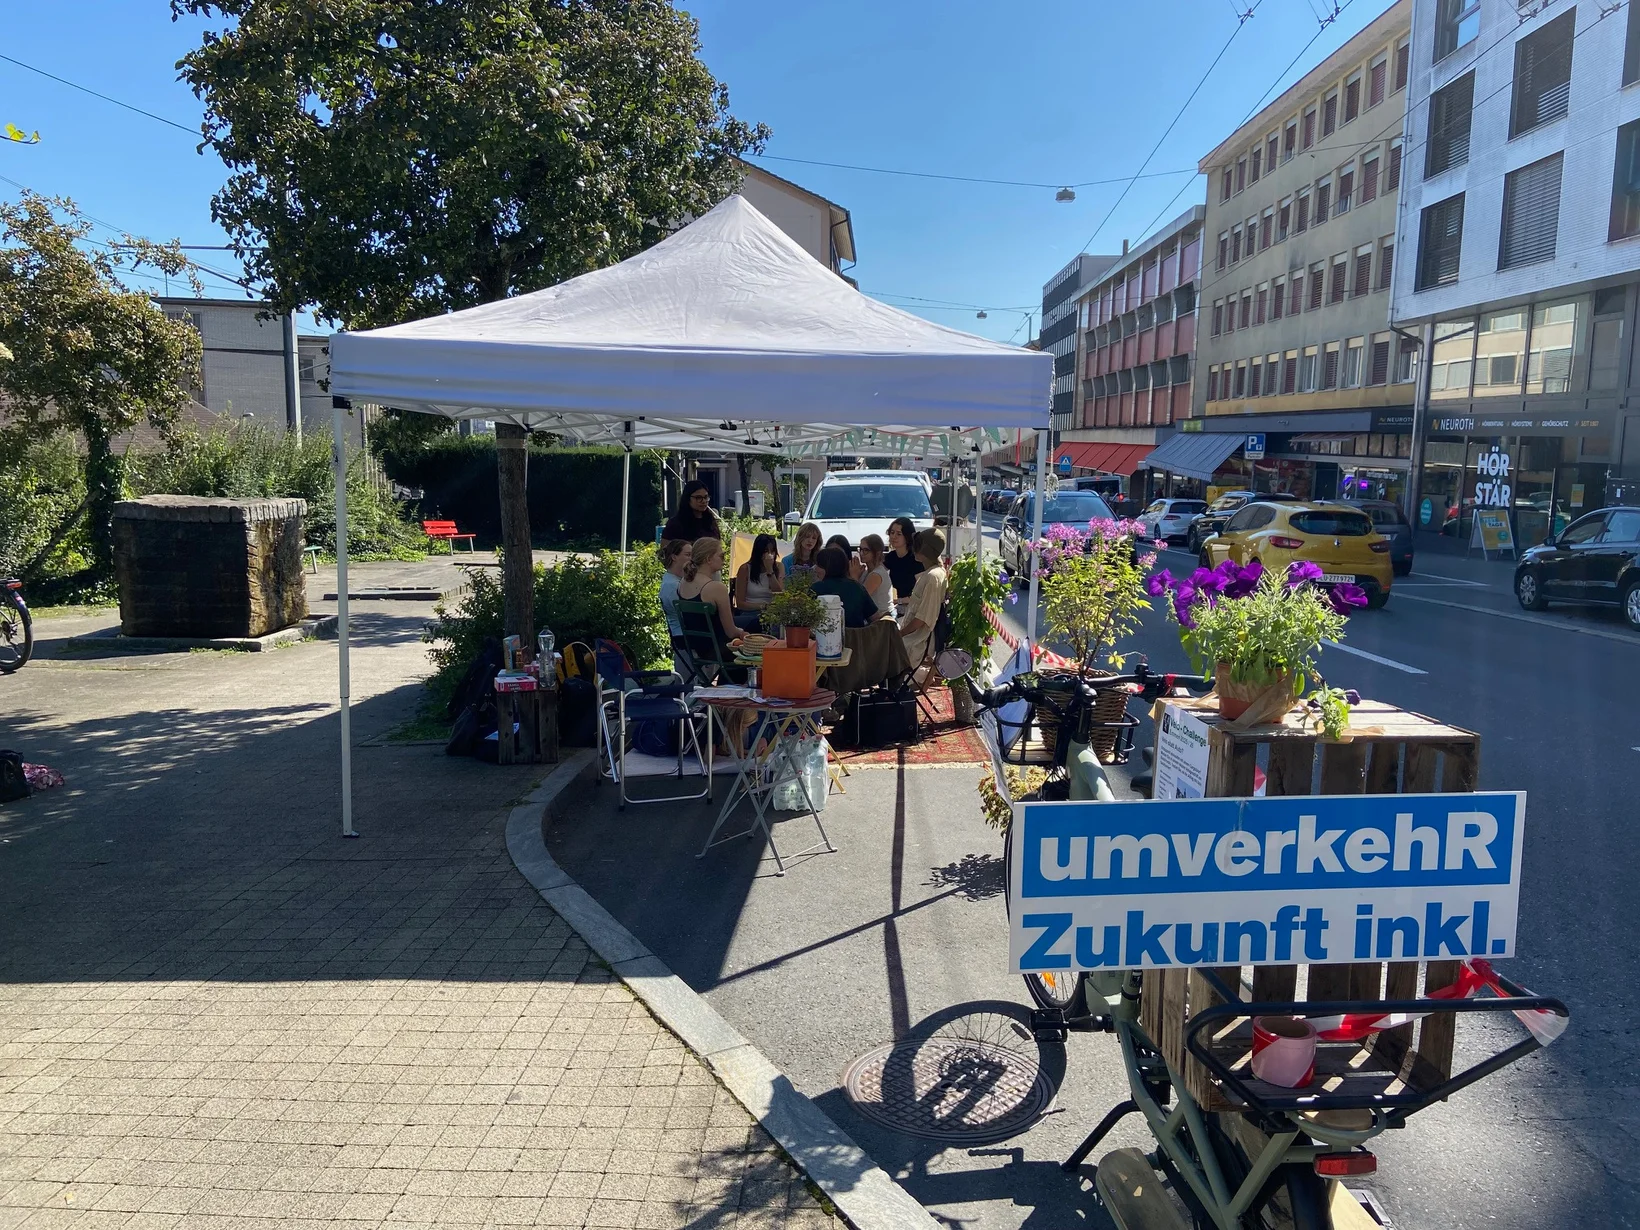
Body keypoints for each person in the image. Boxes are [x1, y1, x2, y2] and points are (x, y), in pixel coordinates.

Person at [676, 538, 741, 648]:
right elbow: (731, 632)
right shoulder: (716, 588)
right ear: (709, 559)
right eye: (721, 556)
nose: (724, 560)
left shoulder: (683, 582)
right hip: (719, 650)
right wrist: (744, 633)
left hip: (698, 649)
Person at [898, 528, 948, 669]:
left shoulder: (932, 577)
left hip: (916, 641)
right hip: (912, 635)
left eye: (917, 544)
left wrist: (900, 634)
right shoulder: (933, 573)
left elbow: (922, 619)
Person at [810, 547, 878, 629]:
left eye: (818, 565)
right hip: (856, 639)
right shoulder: (857, 587)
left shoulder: (816, 589)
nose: (815, 569)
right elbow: (875, 618)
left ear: (827, 567)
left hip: (824, 639)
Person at [732, 533, 784, 632]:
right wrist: (763, 606)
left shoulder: (779, 567)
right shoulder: (745, 569)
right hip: (750, 612)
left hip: (773, 614)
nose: (770, 555)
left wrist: (770, 571)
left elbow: (779, 595)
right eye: (765, 551)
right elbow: (740, 603)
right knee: (759, 623)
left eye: (772, 551)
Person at [662, 480, 721, 545]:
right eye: (698, 497)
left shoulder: (710, 521)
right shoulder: (675, 524)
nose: (703, 501)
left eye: (706, 497)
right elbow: (665, 550)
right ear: (687, 498)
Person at [884, 516, 924, 601]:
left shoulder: (916, 559)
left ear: (907, 536)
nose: (894, 536)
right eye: (892, 532)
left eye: (899, 534)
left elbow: (921, 593)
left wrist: (899, 601)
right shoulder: (890, 558)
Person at [857, 534, 894, 617]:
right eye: (860, 549)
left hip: (882, 620)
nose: (862, 553)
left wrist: (854, 577)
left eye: (866, 550)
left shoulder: (876, 574)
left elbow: (860, 599)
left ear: (876, 553)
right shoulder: (867, 572)